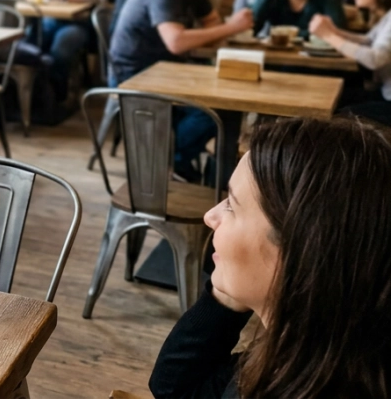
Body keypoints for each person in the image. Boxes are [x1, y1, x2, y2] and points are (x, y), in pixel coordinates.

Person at [150, 117, 391, 398]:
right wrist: (230, 290)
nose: (210, 216)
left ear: (298, 250)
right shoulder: (312, 352)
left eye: (231, 205)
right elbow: (176, 388)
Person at [110, 0, 253, 176]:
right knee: (216, 111)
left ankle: (193, 169)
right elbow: (176, 42)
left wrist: (222, 27)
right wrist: (232, 27)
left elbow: (212, 25)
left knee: (225, 103)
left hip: (167, 70)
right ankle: (173, 162)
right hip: (135, 75)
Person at [310, 0, 391, 126]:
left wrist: (328, 36)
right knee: (331, 96)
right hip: (384, 94)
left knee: (334, 116)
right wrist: (334, 31)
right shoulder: (387, 17)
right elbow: (368, 41)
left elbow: (376, 58)